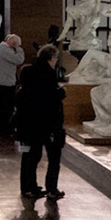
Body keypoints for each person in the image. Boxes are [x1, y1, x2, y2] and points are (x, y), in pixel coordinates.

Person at [14, 44, 67, 201]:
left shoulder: (27, 71)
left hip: (27, 122)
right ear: (51, 58)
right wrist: (61, 93)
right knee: (54, 157)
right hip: (47, 123)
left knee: (30, 156)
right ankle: (52, 189)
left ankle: (28, 187)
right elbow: (50, 99)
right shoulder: (48, 74)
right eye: (56, 58)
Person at [0, 33, 24, 139]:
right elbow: (19, 60)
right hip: (5, 83)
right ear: (13, 43)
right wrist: (19, 50)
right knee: (6, 108)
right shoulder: (5, 50)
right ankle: (5, 129)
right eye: (17, 45)